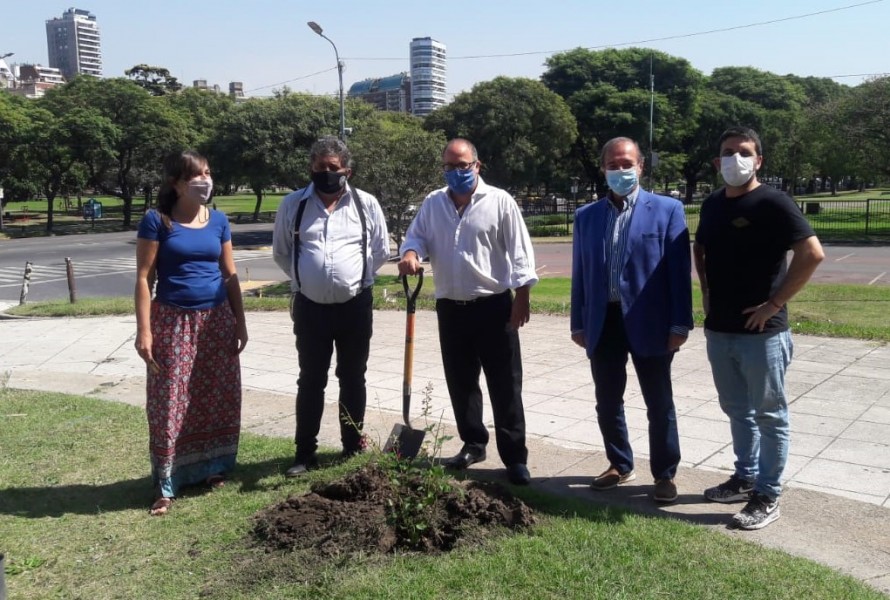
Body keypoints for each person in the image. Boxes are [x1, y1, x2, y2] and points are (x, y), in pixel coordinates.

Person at [695, 126, 824, 529]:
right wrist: (706, 294)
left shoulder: (774, 202)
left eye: (744, 152)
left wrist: (774, 304)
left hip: (763, 335)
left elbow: (812, 253)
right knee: (736, 409)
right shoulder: (714, 203)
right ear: (717, 162)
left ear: (759, 160)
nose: (735, 158)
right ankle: (744, 476)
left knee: (770, 415)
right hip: (720, 329)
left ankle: (768, 494)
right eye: (728, 152)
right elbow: (699, 249)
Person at [398, 138, 538, 486]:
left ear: (477, 165)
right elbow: (415, 237)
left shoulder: (500, 201)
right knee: (461, 383)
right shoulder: (433, 203)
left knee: (505, 384)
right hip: (451, 309)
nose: (456, 172)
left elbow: (520, 252)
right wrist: (411, 254)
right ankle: (473, 443)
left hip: (494, 307)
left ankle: (515, 457)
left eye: (463, 165)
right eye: (449, 166)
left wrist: (522, 296)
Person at [570, 137, 693, 504]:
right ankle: (619, 464)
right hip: (602, 321)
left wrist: (679, 324)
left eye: (627, 163)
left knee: (659, 402)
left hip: (650, 321)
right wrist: (578, 322)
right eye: (612, 164)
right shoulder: (586, 216)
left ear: (640, 166)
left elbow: (678, 273)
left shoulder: (668, 210)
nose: (620, 170)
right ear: (603, 168)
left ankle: (665, 474)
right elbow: (581, 273)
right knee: (607, 400)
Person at [135, 150, 248, 516]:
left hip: (216, 319)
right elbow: (144, 278)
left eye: (208, 172)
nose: (205, 180)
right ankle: (166, 483)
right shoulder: (158, 221)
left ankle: (213, 466)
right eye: (197, 175)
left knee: (216, 394)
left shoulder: (219, 221)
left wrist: (240, 322)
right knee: (171, 400)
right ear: (177, 183)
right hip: (173, 321)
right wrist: (144, 331)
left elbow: (230, 275)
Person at [272, 136, 390, 477]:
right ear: (311, 168)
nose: (327, 173)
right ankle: (304, 453)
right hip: (310, 308)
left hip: (355, 306)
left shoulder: (366, 205)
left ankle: (351, 446)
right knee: (310, 379)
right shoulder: (293, 205)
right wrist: (308, 279)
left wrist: (354, 278)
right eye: (320, 167)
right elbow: (282, 252)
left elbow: (379, 250)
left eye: (333, 168)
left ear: (347, 171)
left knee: (353, 377)